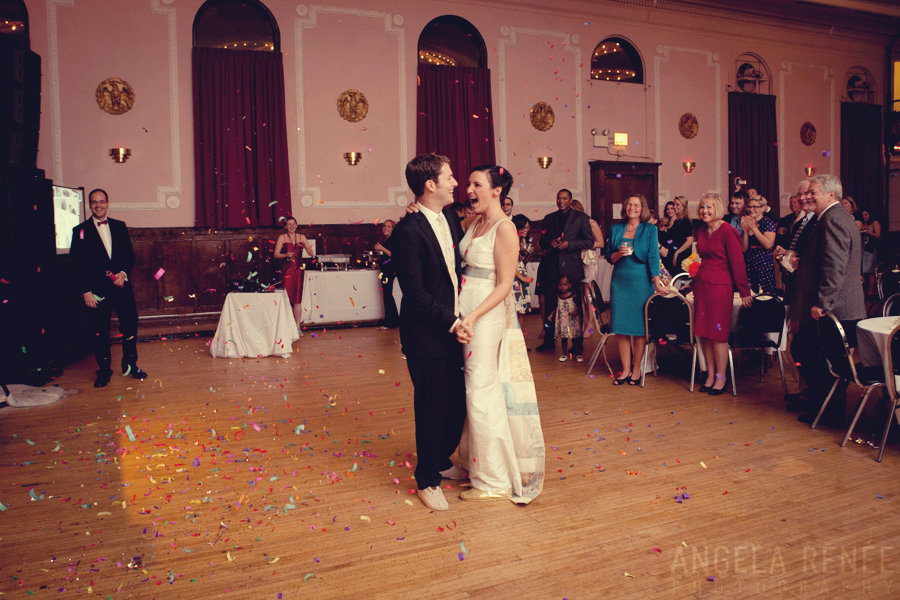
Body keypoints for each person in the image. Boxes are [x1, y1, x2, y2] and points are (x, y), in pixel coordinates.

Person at [456, 164, 545, 504]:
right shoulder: (477, 222)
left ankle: (492, 481)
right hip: (466, 313)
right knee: (472, 388)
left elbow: (505, 285)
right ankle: (474, 463)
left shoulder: (505, 228)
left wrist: (474, 317)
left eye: (476, 184)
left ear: (496, 190)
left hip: (485, 315)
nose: (468, 189)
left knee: (482, 389)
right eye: (467, 183)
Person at [392, 154, 469, 511]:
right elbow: (416, 292)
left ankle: (439, 457)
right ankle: (427, 479)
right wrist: (452, 321)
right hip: (427, 334)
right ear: (430, 185)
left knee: (457, 403)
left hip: (454, 329)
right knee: (431, 406)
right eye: (450, 177)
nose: (456, 183)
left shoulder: (450, 217)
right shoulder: (407, 230)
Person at [789, 174, 866, 427]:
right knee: (818, 357)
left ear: (831, 195)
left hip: (833, 309)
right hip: (835, 306)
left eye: (814, 192)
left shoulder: (832, 219)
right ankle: (827, 409)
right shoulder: (834, 218)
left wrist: (823, 302)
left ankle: (830, 412)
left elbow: (835, 266)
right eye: (806, 192)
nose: (807, 196)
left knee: (811, 354)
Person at [70, 189, 147, 388]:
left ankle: (130, 364)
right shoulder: (80, 230)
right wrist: (85, 291)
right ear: (89, 204)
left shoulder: (120, 226)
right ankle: (104, 371)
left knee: (130, 326)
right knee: (100, 332)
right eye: (94, 202)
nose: (98, 205)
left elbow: (129, 256)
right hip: (96, 293)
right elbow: (76, 264)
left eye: (102, 201)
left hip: (121, 287)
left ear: (107, 203)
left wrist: (123, 273)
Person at [692, 193, 753, 396]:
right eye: (702, 207)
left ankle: (721, 377)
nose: (705, 211)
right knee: (704, 333)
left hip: (720, 288)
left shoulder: (728, 231)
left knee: (718, 335)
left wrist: (744, 291)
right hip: (702, 286)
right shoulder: (700, 230)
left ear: (717, 209)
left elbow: (737, 262)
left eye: (709, 207)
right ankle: (710, 375)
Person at [605, 194, 668, 385]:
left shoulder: (649, 229)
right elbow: (609, 257)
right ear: (625, 207)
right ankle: (624, 371)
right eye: (629, 204)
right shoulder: (616, 228)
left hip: (641, 282)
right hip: (620, 282)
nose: (632, 208)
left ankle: (636, 370)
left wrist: (657, 283)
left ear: (642, 209)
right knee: (622, 329)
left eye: (636, 205)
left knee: (639, 329)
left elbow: (653, 257)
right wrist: (618, 253)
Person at [534, 189, 594, 358]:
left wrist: (570, 244)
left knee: (576, 307)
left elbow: (589, 240)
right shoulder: (548, 218)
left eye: (564, 199)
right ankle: (548, 341)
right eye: (559, 198)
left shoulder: (581, 218)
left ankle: (577, 344)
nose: (561, 201)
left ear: (570, 200)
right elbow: (542, 241)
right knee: (551, 306)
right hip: (552, 268)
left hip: (572, 268)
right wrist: (550, 243)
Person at [273, 217, 314, 334]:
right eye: (289, 224)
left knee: (297, 300)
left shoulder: (302, 237)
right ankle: (286, 326)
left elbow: (311, 253)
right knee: (286, 298)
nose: (291, 226)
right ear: (285, 226)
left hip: (298, 271)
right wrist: (285, 254)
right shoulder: (282, 237)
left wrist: (309, 250)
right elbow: (276, 255)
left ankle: (297, 327)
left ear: (296, 225)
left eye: (293, 224)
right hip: (286, 271)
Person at [740, 196, 776, 294]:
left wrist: (754, 228)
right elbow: (743, 249)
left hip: (763, 262)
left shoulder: (768, 222)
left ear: (763, 208)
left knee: (764, 295)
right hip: (750, 261)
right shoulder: (748, 222)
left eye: (755, 207)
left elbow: (768, 244)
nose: (751, 209)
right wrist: (745, 232)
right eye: (749, 207)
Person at [659, 196, 693, 275]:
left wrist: (677, 252)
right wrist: (666, 230)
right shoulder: (677, 221)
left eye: (677, 205)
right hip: (674, 253)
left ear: (683, 206)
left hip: (681, 256)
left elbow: (690, 240)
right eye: (674, 204)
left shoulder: (685, 220)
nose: (674, 207)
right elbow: (676, 235)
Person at [374, 220, 398, 330]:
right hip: (386, 270)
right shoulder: (388, 240)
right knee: (387, 295)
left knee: (388, 295)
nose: (385, 228)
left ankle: (390, 322)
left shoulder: (394, 239)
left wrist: (381, 248)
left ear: (393, 228)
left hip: (389, 270)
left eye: (388, 226)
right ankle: (391, 321)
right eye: (384, 226)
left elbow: (394, 255)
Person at [554, 274, 582, 362]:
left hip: (572, 321)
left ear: (570, 285)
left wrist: (576, 311)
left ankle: (579, 354)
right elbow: (557, 307)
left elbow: (580, 306)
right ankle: (564, 354)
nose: (562, 287)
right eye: (560, 285)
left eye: (565, 284)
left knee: (575, 338)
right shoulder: (558, 296)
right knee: (564, 338)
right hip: (563, 321)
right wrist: (551, 314)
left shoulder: (573, 295)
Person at [511, 214, 534, 315]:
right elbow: (509, 264)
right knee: (514, 309)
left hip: (521, 274)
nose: (526, 230)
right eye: (523, 227)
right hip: (514, 277)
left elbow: (521, 263)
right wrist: (522, 278)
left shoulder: (522, 241)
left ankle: (520, 331)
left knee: (521, 310)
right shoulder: (511, 240)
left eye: (527, 227)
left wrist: (528, 255)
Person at [860, 210, 881, 297]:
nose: (864, 217)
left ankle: (870, 291)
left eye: (866, 215)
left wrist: (868, 232)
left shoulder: (874, 222)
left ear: (870, 214)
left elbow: (878, 235)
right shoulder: (861, 223)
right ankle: (863, 292)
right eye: (863, 215)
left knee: (870, 270)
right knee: (862, 270)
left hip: (870, 249)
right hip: (862, 248)